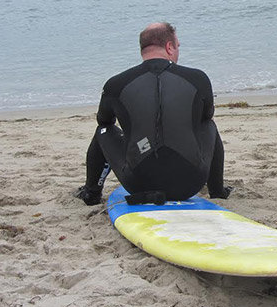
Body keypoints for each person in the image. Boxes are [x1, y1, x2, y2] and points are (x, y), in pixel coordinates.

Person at [76, 22, 232, 206]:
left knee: (103, 130)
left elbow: (104, 120)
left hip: (138, 183)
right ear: (169, 47)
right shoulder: (198, 79)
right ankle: (217, 191)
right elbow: (206, 115)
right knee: (208, 124)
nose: (178, 51)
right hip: (190, 183)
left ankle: (91, 193)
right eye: (178, 46)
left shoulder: (116, 84)